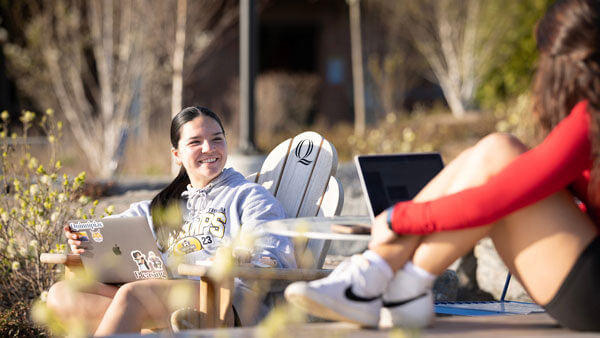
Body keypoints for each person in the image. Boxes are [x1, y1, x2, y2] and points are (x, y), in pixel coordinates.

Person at [285, 0, 600, 331]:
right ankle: (391, 283)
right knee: (492, 152)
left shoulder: (590, 121)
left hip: (591, 294)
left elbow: (494, 199)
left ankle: (379, 279)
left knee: (498, 153)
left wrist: (397, 217)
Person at [47, 106, 296, 335]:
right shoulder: (164, 204)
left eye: (217, 138)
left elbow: (273, 255)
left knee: (134, 295)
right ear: (177, 154)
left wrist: (240, 256)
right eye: (196, 142)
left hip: (223, 299)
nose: (209, 148)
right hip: (164, 296)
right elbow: (112, 230)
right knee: (61, 294)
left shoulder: (249, 196)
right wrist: (86, 241)